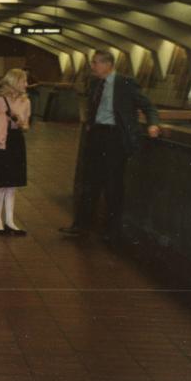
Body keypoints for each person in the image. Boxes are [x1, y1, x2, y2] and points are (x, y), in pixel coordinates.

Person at [60, 50, 160, 241]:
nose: (93, 66)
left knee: (113, 185)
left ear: (108, 64)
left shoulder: (125, 83)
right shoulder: (95, 83)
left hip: (115, 138)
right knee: (89, 182)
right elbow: (93, 107)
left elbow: (148, 106)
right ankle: (81, 226)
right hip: (97, 136)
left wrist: (153, 123)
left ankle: (111, 231)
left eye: (95, 63)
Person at [0, 68, 31, 236]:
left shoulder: (26, 101)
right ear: (15, 82)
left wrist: (20, 122)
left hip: (17, 142)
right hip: (2, 142)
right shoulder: (0, 100)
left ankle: (10, 221)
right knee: (1, 184)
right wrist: (3, 117)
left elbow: (26, 126)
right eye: (23, 81)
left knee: (12, 185)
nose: (26, 84)